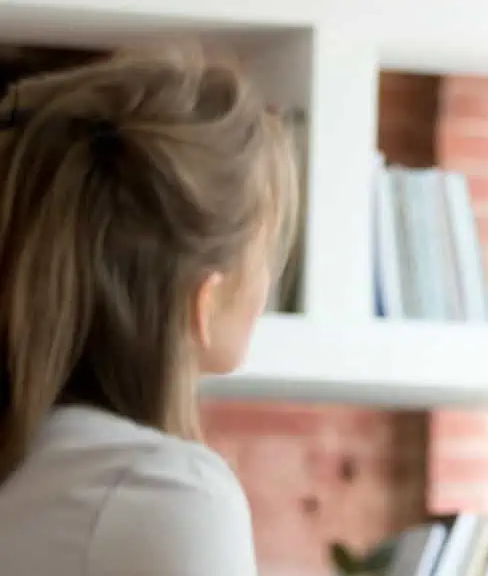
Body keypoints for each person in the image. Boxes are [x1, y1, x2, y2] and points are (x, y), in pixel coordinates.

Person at [0, 48, 297, 576]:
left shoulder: (40, 465)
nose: (267, 282)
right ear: (202, 302)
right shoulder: (168, 492)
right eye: (264, 250)